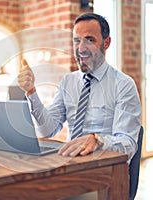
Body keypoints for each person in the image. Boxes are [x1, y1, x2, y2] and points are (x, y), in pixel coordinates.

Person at [17, 13, 141, 161]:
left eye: (90, 40)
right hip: (71, 165)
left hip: (106, 170)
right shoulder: (68, 81)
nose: (81, 49)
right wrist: (31, 91)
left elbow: (128, 144)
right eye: (77, 41)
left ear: (106, 43)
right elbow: (47, 130)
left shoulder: (123, 85)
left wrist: (97, 141)